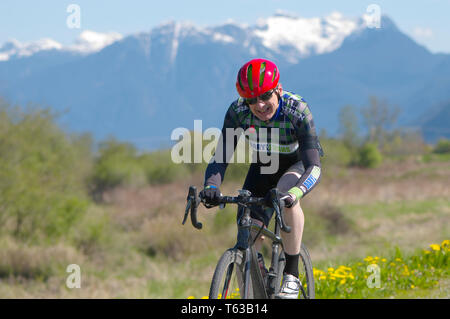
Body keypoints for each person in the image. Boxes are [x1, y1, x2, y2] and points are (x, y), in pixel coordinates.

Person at [200, 58, 323, 299]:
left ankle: (291, 275)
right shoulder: (238, 112)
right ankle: (255, 284)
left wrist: (295, 194)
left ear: (278, 89)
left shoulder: (297, 110)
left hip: (296, 164)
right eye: (252, 99)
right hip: (264, 165)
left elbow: (314, 167)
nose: (259, 104)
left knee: (284, 194)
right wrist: (211, 185)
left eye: (265, 95)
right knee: (246, 232)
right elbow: (222, 156)